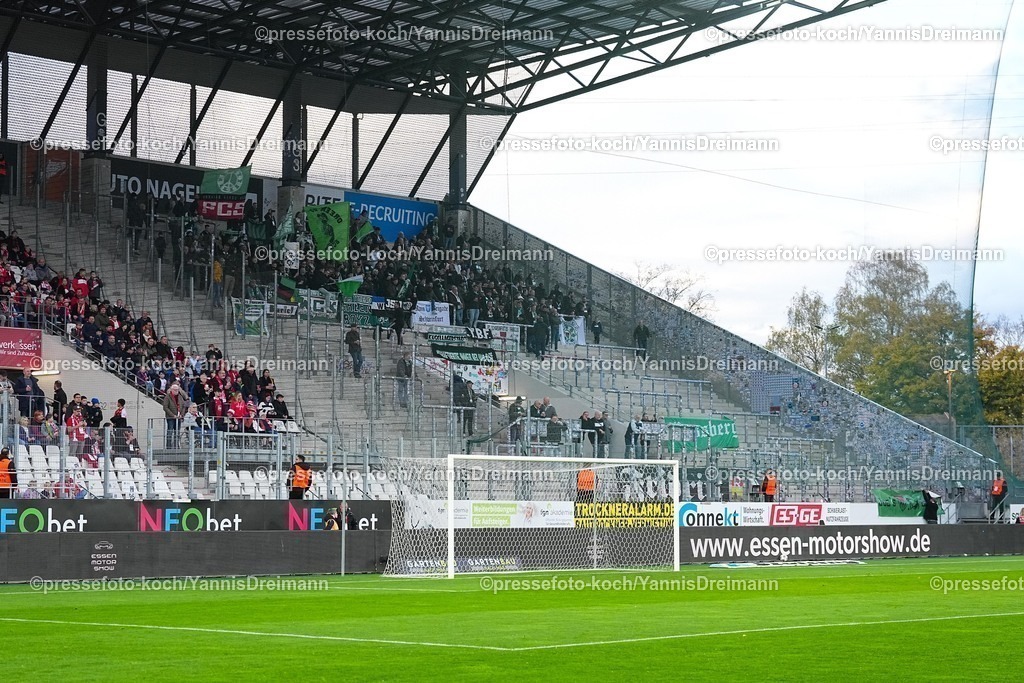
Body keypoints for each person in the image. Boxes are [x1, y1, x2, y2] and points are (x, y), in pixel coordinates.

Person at [163, 382, 188, 448]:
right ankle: (168, 447)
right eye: (175, 390)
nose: (176, 391)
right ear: (171, 390)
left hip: (179, 417)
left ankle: (176, 446)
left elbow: (183, 406)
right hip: (171, 418)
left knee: (177, 432)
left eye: (177, 389)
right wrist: (172, 415)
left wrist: (181, 415)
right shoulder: (167, 397)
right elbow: (165, 407)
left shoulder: (180, 396)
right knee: (170, 432)